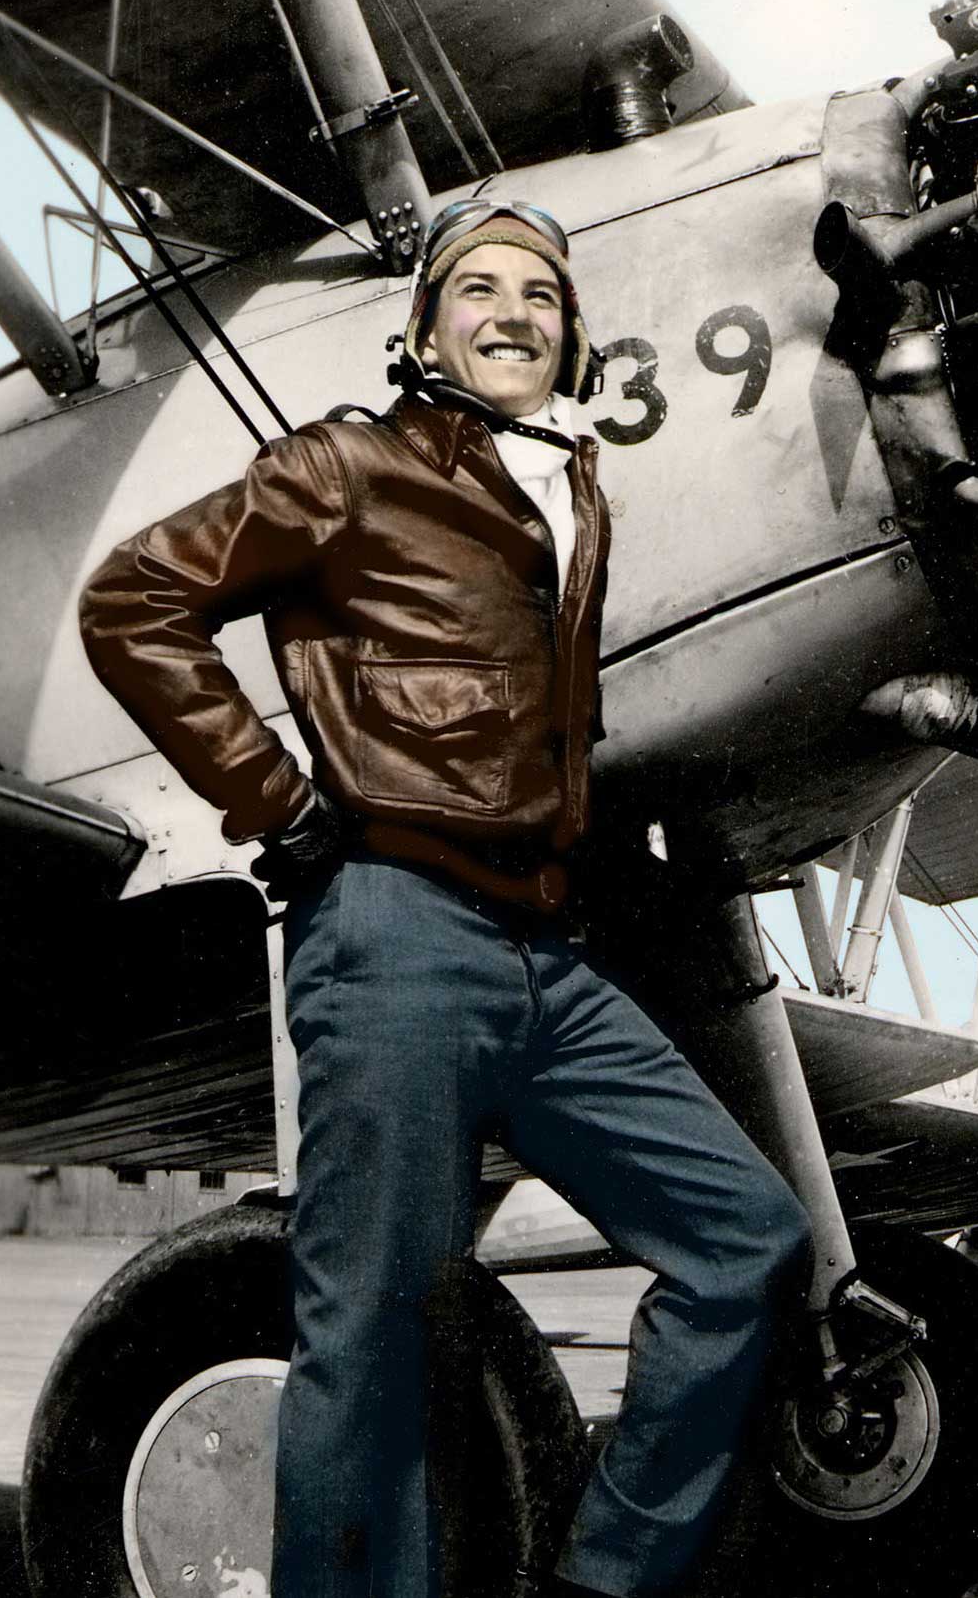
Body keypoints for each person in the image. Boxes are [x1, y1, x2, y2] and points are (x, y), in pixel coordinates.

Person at [79, 201, 812, 1598]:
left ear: (573, 333)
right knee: (377, 1336)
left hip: (542, 949)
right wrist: (279, 813)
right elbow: (133, 603)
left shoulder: (574, 493)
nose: (512, 311)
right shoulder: (346, 467)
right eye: (476, 289)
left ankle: (600, 1585)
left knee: (744, 1241)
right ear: (425, 332)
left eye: (541, 292)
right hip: (391, 927)